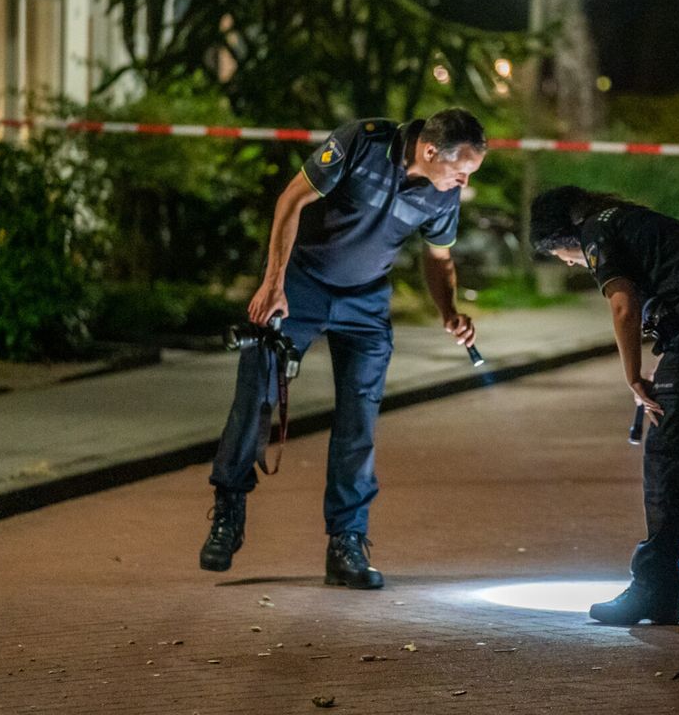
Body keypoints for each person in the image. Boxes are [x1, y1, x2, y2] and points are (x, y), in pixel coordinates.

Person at [198, 108, 487, 588]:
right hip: (302, 285)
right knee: (255, 395)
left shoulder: (443, 193)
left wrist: (449, 310)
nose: (464, 181)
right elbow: (291, 200)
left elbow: (439, 258)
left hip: (366, 303)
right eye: (461, 170)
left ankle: (346, 543)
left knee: (359, 420)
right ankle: (229, 510)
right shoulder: (362, 143)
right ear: (430, 150)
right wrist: (273, 284)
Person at [530, 186, 679, 625]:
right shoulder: (637, 222)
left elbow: (624, 307)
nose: (570, 263)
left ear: (562, 237)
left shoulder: (596, 230)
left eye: (563, 256)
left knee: (670, 455)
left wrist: (633, 377)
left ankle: (654, 588)